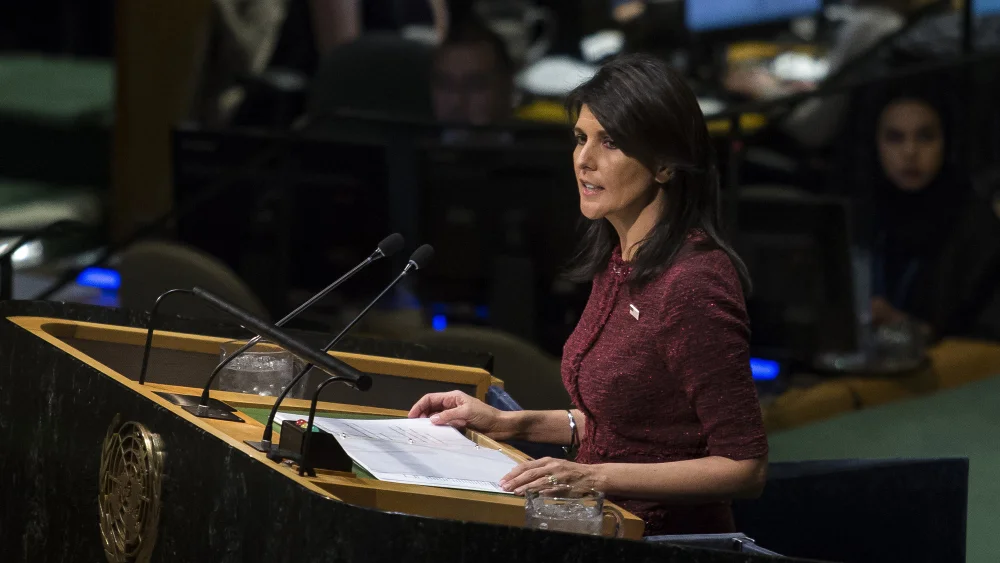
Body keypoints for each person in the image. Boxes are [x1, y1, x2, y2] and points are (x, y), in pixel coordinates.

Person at [408, 53, 769, 536]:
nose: (584, 159)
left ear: (664, 164)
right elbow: (618, 424)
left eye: (611, 142)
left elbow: (744, 466)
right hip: (594, 525)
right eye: (580, 139)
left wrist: (591, 475)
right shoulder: (620, 258)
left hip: (660, 538)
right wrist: (509, 423)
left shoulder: (692, 282)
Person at [870, 91, 1000, 340]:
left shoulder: (977, 229)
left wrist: (908, 327)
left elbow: (987, 338)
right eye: (895, 138)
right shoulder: (863, 217)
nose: (909, 152)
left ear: (948, 143)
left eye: (925, 137)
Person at [430, 16, 516, 126]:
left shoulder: (536, 141)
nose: (456, 102)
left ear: (507, 86)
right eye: (444, 85)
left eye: (474, 86)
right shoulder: (410, 141)